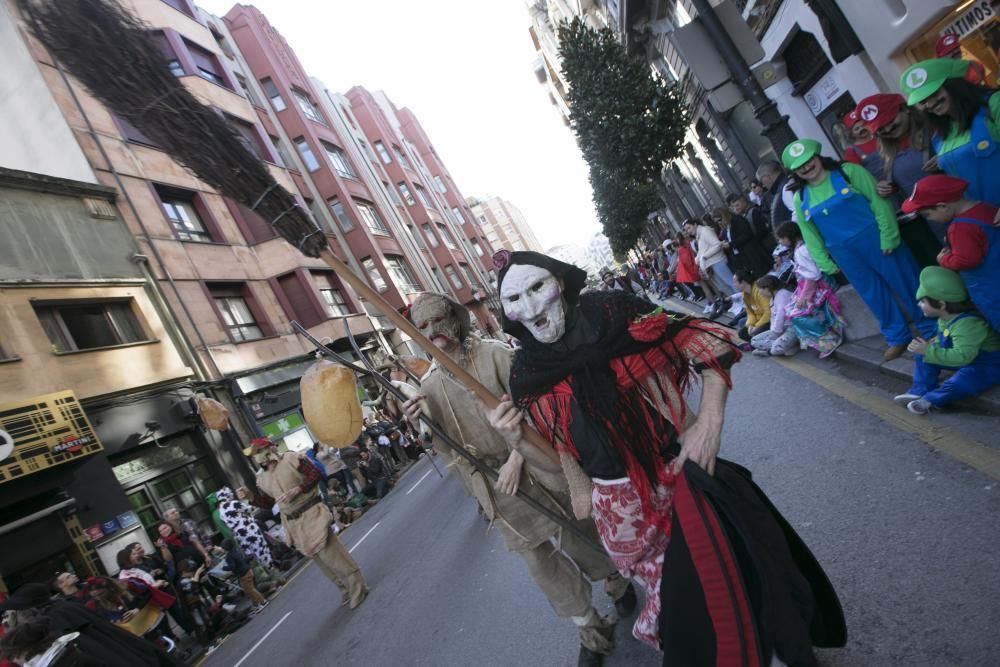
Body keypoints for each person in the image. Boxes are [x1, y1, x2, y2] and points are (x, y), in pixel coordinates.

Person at [489, 251, 845, 663]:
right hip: (619, 513)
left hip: (679, 479)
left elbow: (710, 341)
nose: (531, 307)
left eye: (537, 287)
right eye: (515, 298)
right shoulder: (526, 372)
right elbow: (558, 460)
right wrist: (517, 440)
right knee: (675, 609)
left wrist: (709, 422)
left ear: (562, 283)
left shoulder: (614, 311)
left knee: (727, 583)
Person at [401, 291, 634, 667]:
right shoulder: (429, 388)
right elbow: (450, 454)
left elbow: (536, 409)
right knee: (541, 565)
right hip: (497, 491)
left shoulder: (496, 355)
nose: (434, 331)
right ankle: (590, 626)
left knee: (578, 535)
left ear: (454, 319)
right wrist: (421, 423)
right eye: (423, 326)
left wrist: (516, 456)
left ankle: (616, 578)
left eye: (438, 320)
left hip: (534, 465)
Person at [783, 138, 933, 360]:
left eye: (809, 160)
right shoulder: (800, 197)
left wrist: (889, 236)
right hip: (845, 254)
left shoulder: (848, 172)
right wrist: (823, 261)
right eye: (799, 166)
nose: (806, 167)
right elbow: (810, 234)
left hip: (877, 240)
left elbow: (879, 202)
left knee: (908, 283)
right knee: (873, 295)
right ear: (795, 172)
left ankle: (931, 329)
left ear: (818, 156)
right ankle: (897, 337)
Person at [245, 438, 368, 609]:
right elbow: (268, 502)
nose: (258, 458)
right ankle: (345, 589)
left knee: (333, 556)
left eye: (259, 452)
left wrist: (298, 489)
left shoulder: (291, 459)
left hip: (312, 514)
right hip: (294, 525)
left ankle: (358, 587)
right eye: (254, 455)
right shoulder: (262, 478)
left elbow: (315, 473)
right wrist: (252, 498)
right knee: (322, 563)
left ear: (269, 449)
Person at [901, 173, 1000, 333]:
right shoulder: (986, 208)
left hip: (992, 290)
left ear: (943, 206)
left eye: (928, 215)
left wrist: (945, 259)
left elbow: (966, 260)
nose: (930, 219)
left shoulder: (959, 228)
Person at [895, 267, 1000, 414]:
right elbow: (943, 340)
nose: (919, 305)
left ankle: (929, 400)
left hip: (988, 364)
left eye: (923, 301)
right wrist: (928, 348)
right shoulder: (944, 319)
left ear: (942, 304)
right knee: (924, 356)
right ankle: (919, 390)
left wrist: (929, 350)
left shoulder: (968, 324)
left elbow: (962, 357)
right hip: (968, 358)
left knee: (963, 381)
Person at [854, 92, 945, 260]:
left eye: (890, 121)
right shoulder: (888, 151)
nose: (888, 129)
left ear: (904, 109)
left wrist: (947, 157)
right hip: (933, 222)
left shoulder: (934, 127)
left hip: (962, 207)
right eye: (881, 128)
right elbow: (904, 182)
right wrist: (887, 188)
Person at [900, 58, 1000, 205]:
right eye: (923, 101)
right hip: (983, 221)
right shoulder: (939, 134)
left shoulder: (993, 103)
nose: (930, 104)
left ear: (954, 84)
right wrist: (945, 160)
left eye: (934, 93)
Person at [775, 222, 847, 359]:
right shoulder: (802, 246)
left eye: (781, 238)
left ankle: (830, 340)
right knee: (793, 310)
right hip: (815, 285)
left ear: (788, 236)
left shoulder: (800, 251)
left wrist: (805, 297)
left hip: (821, 286)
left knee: (798, 316)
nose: (780, 241)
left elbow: (813, 275)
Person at [213, 486, 274, 569]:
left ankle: (262, 571)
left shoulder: (221, 511)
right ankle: (270, 567)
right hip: (249, 529)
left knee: (250, 553)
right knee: (261, 548)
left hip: (239, 535)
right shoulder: (234, 503)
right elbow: (249, 509)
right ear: (228, 495)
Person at [683, 218, 729, 317]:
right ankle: (735, 304)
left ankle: (741, 305)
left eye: (689, 228)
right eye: (686, 230)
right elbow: (701, 252)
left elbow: (717, 244)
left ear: (695, 224)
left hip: (718, 261)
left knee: (729, 284)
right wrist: (698, 261)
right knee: (724, 286)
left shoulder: (705, 231)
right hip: (711, 264)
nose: (688, 231)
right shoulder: (699, 236)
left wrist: (704, 257)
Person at [750, 274, 799, 357]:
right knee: (754, 340)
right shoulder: (773, 297)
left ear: (767, 288)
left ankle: (772, 350)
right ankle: (785, 346)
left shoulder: (782, 295)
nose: (759, 292)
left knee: (776, 348)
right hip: (782, 329)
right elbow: (774, 318)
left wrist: (775, 333)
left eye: (760, 289)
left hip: (793, 328)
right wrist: (774, 333)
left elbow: (781, 315)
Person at [724, 195, 774, 274]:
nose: (736, 208)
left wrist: (753, 239)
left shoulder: (753, 211)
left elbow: (762, 230)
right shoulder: (744, 215)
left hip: (768, 244)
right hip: (761, 247)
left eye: (737, 205)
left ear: (744, 203)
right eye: (734, 207)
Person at [221, 539, 266, 610]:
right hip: (248, 570)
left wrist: (224, 568)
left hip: (243, 574)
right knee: (248, 590)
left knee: (250, 590)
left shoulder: (229, 556)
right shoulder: (236, 550)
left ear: (225, 547)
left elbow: (232, 567)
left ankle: (262, 601)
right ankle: (257, 604)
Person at [841, 109, 886, 179]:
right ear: (851, 134)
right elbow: (857, 176)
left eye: (863, 125)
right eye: (857, 129)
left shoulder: (879, 135)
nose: (861, 129)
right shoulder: (851, 152)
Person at [756, 159, 795, 228]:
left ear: (766, 178)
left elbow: (798, 215)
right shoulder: (790, 182)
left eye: (762, 182)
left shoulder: (786, 189)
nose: (763, 186)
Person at [733, 270, 769, 343]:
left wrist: (756, 326)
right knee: (742, 332)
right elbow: (750, 313)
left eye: (735, 282)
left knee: (751, 330)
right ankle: (758, 341)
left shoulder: (759, 290)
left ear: (743, 282)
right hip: (759, 319)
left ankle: (761, 342)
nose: (734, 285)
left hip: (769, 319)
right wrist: (750, 325)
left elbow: (768, 313)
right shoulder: (744, 294)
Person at [672, 233, 705, 302]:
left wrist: (693, 266)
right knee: (698, 282)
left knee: (701, 282)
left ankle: (702, 295)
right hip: (690, 265)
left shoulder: (685, 245)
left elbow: (690, 255)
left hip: (693, 265)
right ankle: (700, 295)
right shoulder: (682, 247)